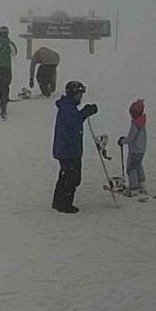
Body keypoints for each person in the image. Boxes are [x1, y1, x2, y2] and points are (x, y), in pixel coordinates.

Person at [52, 80, 98, 213]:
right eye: (79, 94)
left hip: (67, 149)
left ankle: (58, 201)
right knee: (71, 178)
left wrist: (84, 112)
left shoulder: (68, 107)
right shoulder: (67, 109)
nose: (81, 97)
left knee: (65, 175)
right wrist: (85, 112)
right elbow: (74, 122)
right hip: (68, 150)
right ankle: (65, 204)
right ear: (74, 94)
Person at [118, 99, 148, 197]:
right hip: (141, 149)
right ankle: (141, 184)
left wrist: (122, 141)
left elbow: (131, 137)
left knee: (131, 168)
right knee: (138, 165)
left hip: (135, 150)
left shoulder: (135, 124)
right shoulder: (142, 122)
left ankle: (134, 188)